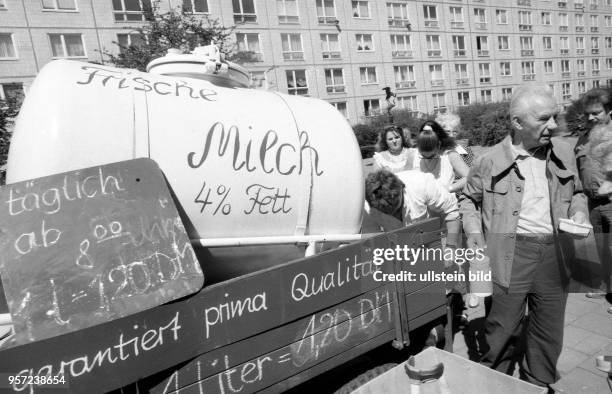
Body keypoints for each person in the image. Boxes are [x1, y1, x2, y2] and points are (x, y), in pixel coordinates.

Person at [460, 83, 589, 390]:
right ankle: (494, 383)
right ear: (517, 123)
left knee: (548, 330)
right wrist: (474, 231)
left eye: (554, 117)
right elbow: (468, 199)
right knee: (502, 330)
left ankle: (539, 383)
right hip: (510, 254)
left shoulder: (563, 153)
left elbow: (579, 192)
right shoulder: (489, 160)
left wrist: (580, 211)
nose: (554, 125)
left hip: (555, 255)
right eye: (544, 118)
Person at [575, 88, 612, 301]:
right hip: (593, 203)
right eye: (587, 113)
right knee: (601, 247)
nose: (590, 117)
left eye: (596, 112)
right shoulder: (584, 137)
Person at [365, 169, 460, 239]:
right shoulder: (365, 208)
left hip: (440, 234)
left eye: (395, 208)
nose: (391, 214)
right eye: (384, 211)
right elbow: (375, 240)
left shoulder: (422, 183)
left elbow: (451, 212)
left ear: (402, 188)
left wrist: (450, 247)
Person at [587, 122, 612, 314]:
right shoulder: (584, 141)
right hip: (593, 202)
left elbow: (470, 162)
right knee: (601, 248)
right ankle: (604, 287)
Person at [406, 121, 469, 193]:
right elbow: (405, 179)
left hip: (445, 200)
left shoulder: (450, 155)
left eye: (431, 132)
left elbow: (469, 177)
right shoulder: (412, 155)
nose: (428, 136)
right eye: (425, 132)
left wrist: (449, 188)